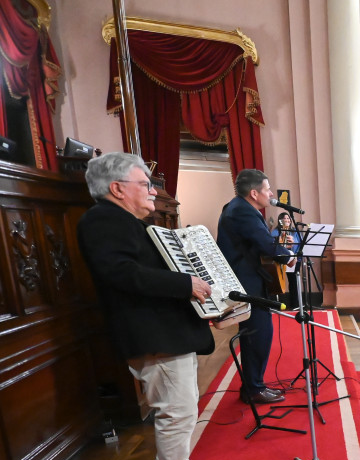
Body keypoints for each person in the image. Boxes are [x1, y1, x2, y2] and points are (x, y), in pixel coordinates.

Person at [76, 153, 214, 460]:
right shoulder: (103, 219)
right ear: (118, 188)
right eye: (145, 183)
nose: (153, 190)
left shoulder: (123, 221)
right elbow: (121, 272)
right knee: (176, 415)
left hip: (165, 334)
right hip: (154, 335)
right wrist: (184, 284)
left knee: (181, 412)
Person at [218, 169, 295, 405]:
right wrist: (288, 256)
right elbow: (264, 243)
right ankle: (253, 389)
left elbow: (257, 242)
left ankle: (254, 385)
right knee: (257, 334)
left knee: (258, 333)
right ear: (254, 193)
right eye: (267, 189)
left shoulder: (238, 207)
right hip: (247, 282)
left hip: (249, 279)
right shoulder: (242, 211)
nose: (271, 193)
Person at [270, 212, 302, 290]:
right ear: (280, 220)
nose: (287, 220)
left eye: (288, 218)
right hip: (281, 259)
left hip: (294, 259)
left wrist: (297, 255)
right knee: (279, 281)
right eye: (285, 218)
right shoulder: (276, 231)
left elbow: (301, 243)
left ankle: (295, 301)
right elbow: (273, 244)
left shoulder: (295, 231)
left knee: (293, 281)